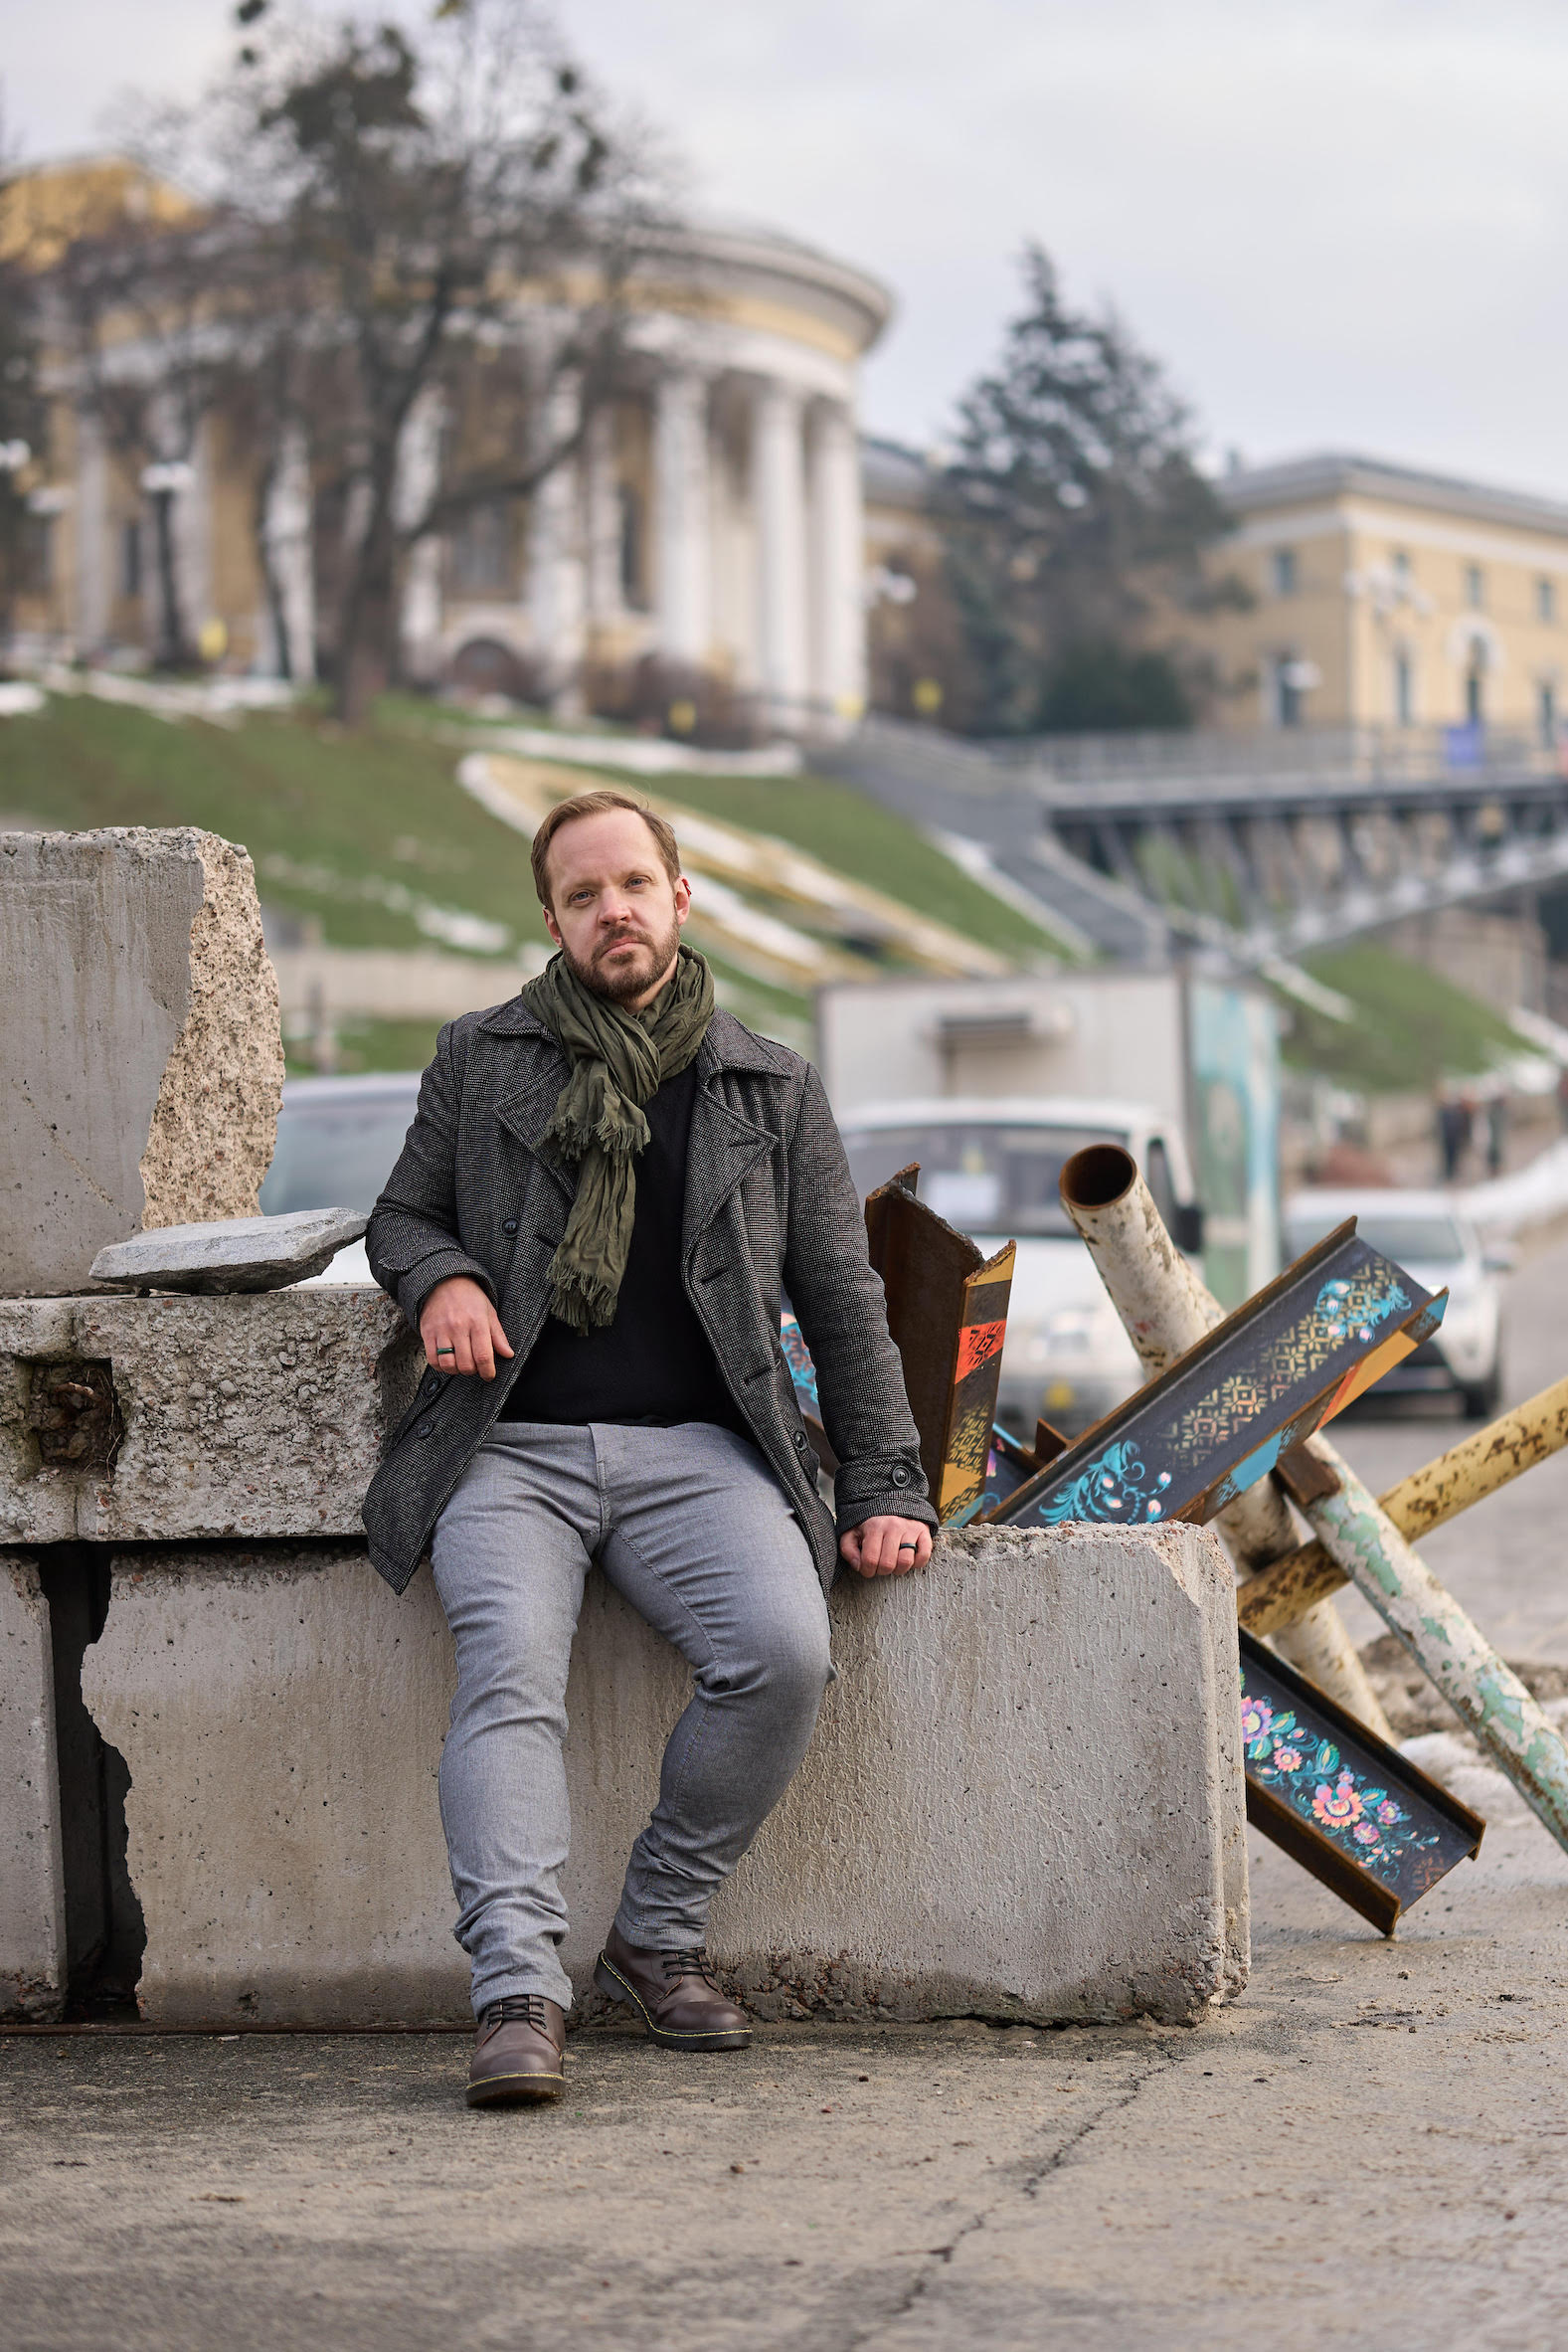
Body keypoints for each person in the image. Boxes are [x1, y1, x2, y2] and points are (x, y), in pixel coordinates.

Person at [363, 788, 936, 2108]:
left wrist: (886, 1480)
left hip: (698, 1448)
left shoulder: (767, 1084)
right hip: (507, 1448)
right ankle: (516, 1993)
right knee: (507, 1676)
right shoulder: (482, 1056)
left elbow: (841, 1296)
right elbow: (401, 1215)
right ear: (553, 920)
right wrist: (442, 1276)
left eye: (632, 883)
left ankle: (654, 1933)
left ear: (680, 897)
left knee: (784, 1654)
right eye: (581, 894)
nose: (610, 908)